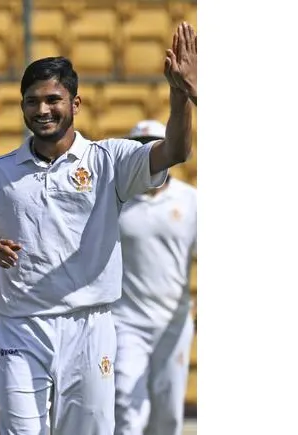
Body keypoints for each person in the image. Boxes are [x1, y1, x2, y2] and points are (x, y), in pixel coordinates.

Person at [0, 22, 197, 435]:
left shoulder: (108, 160)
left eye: (53, 100)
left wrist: (180, 93)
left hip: (90, 327)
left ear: (76, 103)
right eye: (32, 101)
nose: (42, 110)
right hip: (20, 327)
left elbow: (176, 150)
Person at [111, 120, 197, 435]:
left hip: (173, 322)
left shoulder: (191, 200)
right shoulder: (115, 199)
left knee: (168, 413)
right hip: (125, 320)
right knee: (125, 404)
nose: (148, 151)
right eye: (140, 144)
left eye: (154, 143)